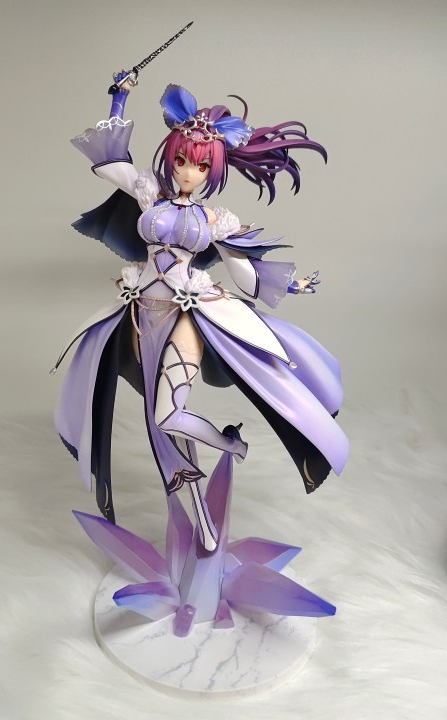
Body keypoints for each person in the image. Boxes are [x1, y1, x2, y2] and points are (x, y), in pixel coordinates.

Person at [52, 78, 349, 551]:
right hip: (140, 316)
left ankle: (231, 445)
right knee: (159, 424)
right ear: (171, 157)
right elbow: (111, 163)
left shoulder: (215, 220)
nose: (189, 172)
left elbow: (246, 275)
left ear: (214, 168)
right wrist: (119, 97)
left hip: (186, 317)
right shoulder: (150, 195)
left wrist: (291, 284)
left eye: (201, 164)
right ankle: (204, 528)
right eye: (182, 161)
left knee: (168, 415)